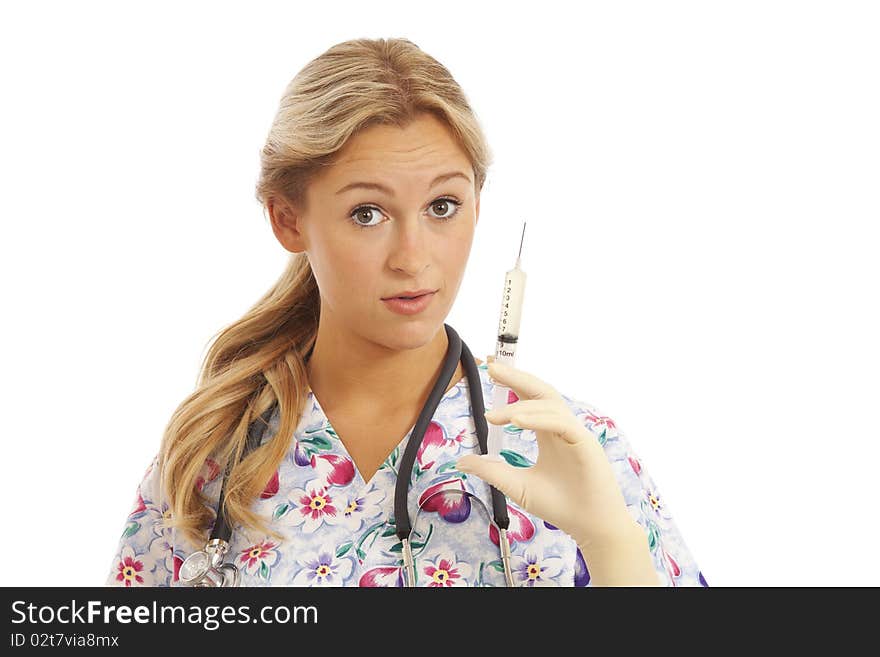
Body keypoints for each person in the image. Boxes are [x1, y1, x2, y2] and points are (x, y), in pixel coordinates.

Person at [106, 37, 707, 588]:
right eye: (368, 213)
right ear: (289, 220)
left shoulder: (574, 450)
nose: (413, 258)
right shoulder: (214, 454)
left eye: (443, 205)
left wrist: (611, 543)